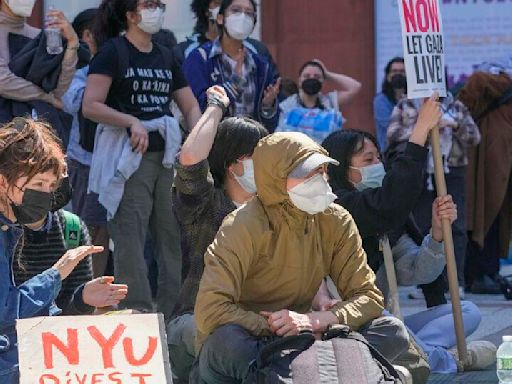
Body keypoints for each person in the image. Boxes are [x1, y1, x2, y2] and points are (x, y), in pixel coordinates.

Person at [194, 131, 410, 382]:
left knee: (392, 331)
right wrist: (276, 327)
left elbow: (369, 298)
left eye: (321, 171)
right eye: (307, 174)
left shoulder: (336, 220)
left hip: (309, 335)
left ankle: (316, 368)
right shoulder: (241, 226)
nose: (319, 179)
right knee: (225, 343)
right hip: (255, 339)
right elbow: (210, 310)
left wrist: (315, 321)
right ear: (276, 179)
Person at [321, 127, 496, 373]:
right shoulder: (337, 208)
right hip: (349, 323)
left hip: (385, 325)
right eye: (367, 160)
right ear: (342, 169)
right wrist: (422, 128)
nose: (377, 165)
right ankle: (445, 359)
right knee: (388, 324)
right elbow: (392, 198)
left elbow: (419, 272)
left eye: (378, 157)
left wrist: (436, 233)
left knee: (468, 311)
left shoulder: (388, 226)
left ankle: (415, 351)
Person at [83, 0, 202, 316]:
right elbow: (90, 104)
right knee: (129, 239)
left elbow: (189, 105)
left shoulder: (165, 54)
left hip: (166, 160)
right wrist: (130, 121)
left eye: (160, 5)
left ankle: (174, 311)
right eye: (149, 4)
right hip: (129, 158)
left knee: (172, 236)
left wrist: (198, 137)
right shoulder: (113, 52)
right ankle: (133, 310)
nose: (158, 10)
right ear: (130, 14)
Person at [0, 117, 115, 383]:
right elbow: (6, 310)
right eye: (38, 184)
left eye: (51, 187)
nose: (44, 195)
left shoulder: (15, 228)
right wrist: (57, 273)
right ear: (4, 182)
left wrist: (82, 300)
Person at [166, 85, 268, 382]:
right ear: (234, 163)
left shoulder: (273, 210)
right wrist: (216, 107)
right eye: (259, 155)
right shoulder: (206, 206)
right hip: (196, 321)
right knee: (217, 337)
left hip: (256, 321)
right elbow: (190, 160)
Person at [387, 91, 481, 303]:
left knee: (454, 226)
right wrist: (423, 125)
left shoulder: (455, 106)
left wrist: (453, 125)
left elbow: (474, 136)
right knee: (421, 225)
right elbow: (392, 134)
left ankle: (455, 281)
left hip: (452, 170)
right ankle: (426, 284)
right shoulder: (405, 104)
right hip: (419, 169)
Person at [62, 8, 110, 278]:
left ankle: (97, 287)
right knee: (77, 228)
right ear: (86, 35)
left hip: (109, 162)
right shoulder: (78, 72)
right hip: (82, 162)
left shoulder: (116, 64)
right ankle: (74, 287)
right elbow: (71, 102)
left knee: (101, 230)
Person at [183, 0, 281, 132]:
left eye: (249, 13)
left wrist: (268, 106)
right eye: (236, 10)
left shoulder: (260, 64)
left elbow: (269, 124)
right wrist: (234, 83)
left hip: (251, 146)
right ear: (220, 18)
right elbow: (196, 109)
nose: (242, 17)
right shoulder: (200, 58)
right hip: (213, 145)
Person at [458, 71, 512, 294]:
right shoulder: (498, 85)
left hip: (500, 168)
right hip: (489, 168)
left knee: (495, 219)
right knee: (484, 217)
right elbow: (476, 82)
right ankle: (479, 274)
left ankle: (488, 272)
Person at [0, 0, 78, 109]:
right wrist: (46, 97)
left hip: (37, 121)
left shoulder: (41, 36)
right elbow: (3, 82)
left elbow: (58, 90)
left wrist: (72, 43)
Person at [175, 0, 277, 72]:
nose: (224, 8)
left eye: (234, 7)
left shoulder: (257, 50)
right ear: (206, 9)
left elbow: (276, 89)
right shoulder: (184, 52)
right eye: (219, 3)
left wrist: (269, 101)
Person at [277, 59, 361, 143]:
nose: (311, 79)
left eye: (317, 77)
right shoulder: (288, 104)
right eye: (307, 76)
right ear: (299, 81)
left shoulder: (330, 102)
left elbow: (355, 87)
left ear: (323, 82)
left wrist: (327, 74)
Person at [373, 57, 406, 151]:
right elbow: (392, 129)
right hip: (390, 154)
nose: (398, 74)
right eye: (394, 71)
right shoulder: (380, 101)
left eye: (402, 71)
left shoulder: (415, 99)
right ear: (388, 76)